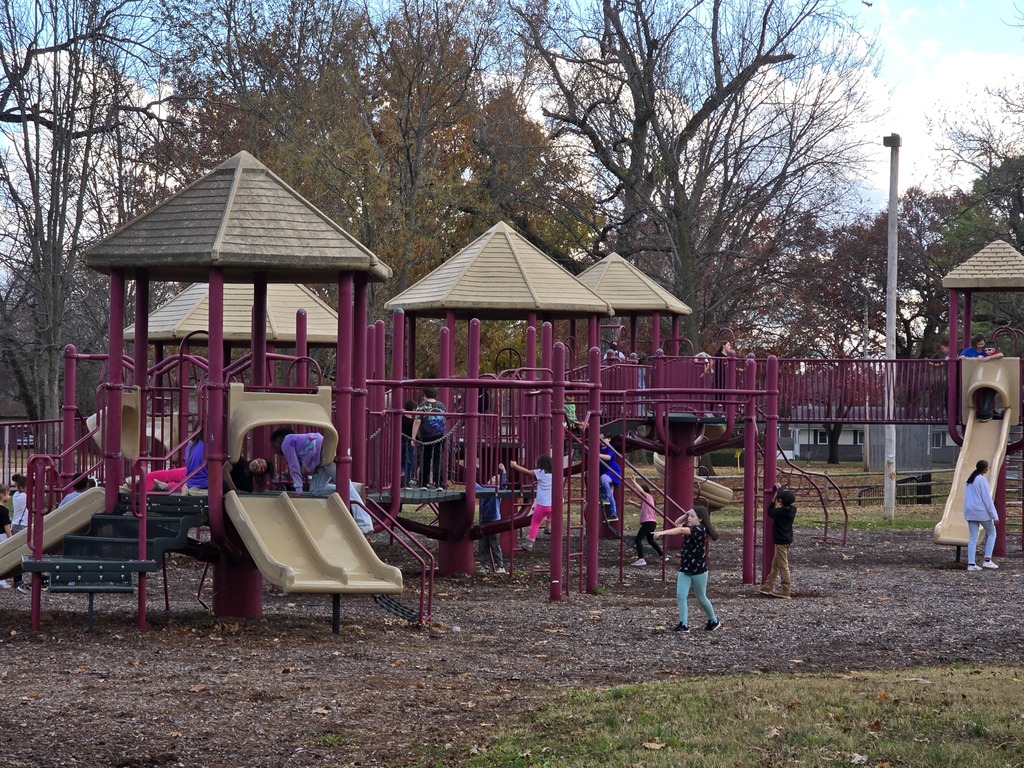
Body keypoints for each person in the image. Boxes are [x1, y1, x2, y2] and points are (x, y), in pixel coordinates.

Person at [270, 428, 373, 532]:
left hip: (327, 451)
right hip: (322, 457)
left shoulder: (286, 443)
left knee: (344, 486)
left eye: (274, 447)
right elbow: (302, 465)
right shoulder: (296, 442)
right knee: (315, 490)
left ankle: (365, 524)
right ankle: (353, 488)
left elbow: (294, 468)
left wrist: (298, 491)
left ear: (279, 441)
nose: (275, 451)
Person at [654, 506, 721, 633]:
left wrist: (662, 533)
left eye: (692, 516)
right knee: (681, 595)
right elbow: (677, 523)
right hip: (685, 567)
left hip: (698, 569)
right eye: (689, 516)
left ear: (700, 519)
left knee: (701, 597)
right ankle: (683, 624)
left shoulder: (700, 529)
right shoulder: (690, 527)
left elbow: (679, 530)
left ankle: (714, 620)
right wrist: (686, 515)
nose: (689, 519)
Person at [509, 455, 553, 552]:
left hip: (542, 504)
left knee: (535, 522)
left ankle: (529, 543)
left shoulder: (541, 472)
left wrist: (515, 466)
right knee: (550, 514)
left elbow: (527, 472)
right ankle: (549, 527)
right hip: (553, 505)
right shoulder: (556, 474)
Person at [759, 487, 797, 598]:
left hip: (780, 541)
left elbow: (769, 512)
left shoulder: (779, 512)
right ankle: (767, 585)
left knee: (783, 565)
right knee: (775, 564)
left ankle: (786, 589)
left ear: (780, 500)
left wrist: (773, 500)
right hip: (788, 539)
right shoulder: (793, 509)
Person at [963, 460, 999, 571]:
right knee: (992, 533)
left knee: (973, 537)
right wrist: (994, 516)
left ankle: (971, 564)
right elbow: (987, 499)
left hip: (970, 511)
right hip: (981, 511)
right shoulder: (982, 480)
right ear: (985, 469)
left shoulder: (969, 480)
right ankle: (987, 560)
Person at [959, 335, 1004, 420]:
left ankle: (986, 412)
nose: (981, 347)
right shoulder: (970, 350)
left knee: (989, 394)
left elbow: (1000, 354)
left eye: (982, 344)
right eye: (978, 344)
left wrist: (988, 358)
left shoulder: (988, 352)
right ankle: (984, 412)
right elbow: (962, 356)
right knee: (983, 394)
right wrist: (964, 358)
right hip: (978, 377)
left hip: (991, 377)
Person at [411, 387, 447, 490]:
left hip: (426, 436)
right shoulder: (441, 406)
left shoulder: (422, 406)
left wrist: (413, 437)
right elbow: (444, 420)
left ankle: (423, 483)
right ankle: (439, 483)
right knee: (437, 459)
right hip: (439, 435)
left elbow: (417, 421)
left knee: (425, 459)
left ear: (425, 395)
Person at [477, 464, 507, 574]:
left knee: (495, 544)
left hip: (494, 520)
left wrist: (503, 472)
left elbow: (504, 485)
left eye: (495, 478)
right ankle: (484, 566)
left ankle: (500, 565)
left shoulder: (497, 490)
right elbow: (473, 485)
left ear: (497, 483)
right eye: (492, 477)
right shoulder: (482, 489)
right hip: (484, 520)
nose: (492, 478)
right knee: (483, 545)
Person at [630, 480, 663, 567]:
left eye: (639, 492)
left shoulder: (648, 496)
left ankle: (641, 559)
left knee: (638, 540)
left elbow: (641, 491)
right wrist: (631, 502)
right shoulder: (647, 500)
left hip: (648, 522)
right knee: (650, 540)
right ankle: (662, 555)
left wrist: (634, 482)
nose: (638, 494)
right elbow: (640, 506)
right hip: (652, 522)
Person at [10, 475, 28, 594]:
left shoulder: (16, 495)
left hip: (15, 525)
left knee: (17, 552)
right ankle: (17, 580)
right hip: (22, 526)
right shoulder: (24, 496)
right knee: (21, 553)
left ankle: (17, 579)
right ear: (22, 487)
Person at [597, 432, 621, 520]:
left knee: (603, 479)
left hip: (613, 470)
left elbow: (609, 457)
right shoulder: (599, 448)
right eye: (599, 439)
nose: (601, 441)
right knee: (610, 493)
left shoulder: (610, 448)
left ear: (608, 439)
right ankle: (613, 513)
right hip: (605, 471)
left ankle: (606, 498)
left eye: (603, 438)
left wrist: (598, 455)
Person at [401, 399, 418, 487]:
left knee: (400, 461)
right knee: (409, 462)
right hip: (409, 442)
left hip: (400, 442)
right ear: (414, 410)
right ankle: (406, 481)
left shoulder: (400, 418)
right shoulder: (413, 422)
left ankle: (400, 477)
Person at [0, 486, 12, 589]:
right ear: (1, 495)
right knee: (2, 557)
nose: (9, 496)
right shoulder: (4, 510)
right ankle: (2, 580)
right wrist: (11, 538)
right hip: (2, 536)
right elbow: (6, 526)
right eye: (7, 494)